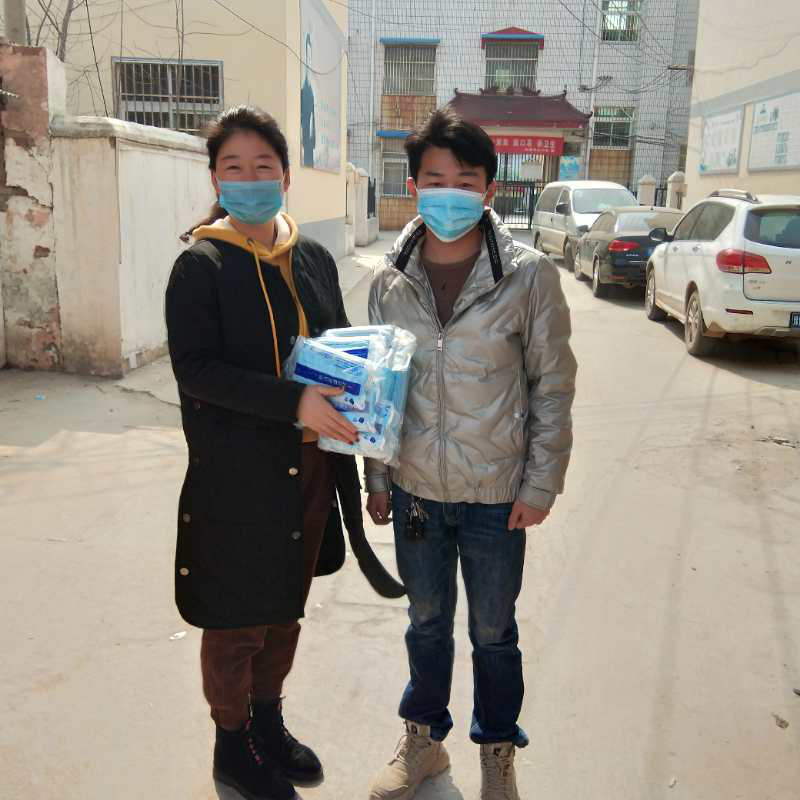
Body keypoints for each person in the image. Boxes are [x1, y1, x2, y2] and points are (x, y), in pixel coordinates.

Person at [365, 108, 577, 800]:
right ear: (413, 187)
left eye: (466, 180)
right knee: (426, 624)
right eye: (435, 179)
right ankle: (424, 743)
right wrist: (377, 478)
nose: (449, 193)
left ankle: (496, 753)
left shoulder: (529, 276)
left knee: (493, 632)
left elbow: (552, 385)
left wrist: (540, 484)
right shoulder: (389, 281)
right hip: (417, 493)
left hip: (496, 496)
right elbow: (378, 391)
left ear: (489, 190)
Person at [165, 105, 361, 800]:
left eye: (264, 167)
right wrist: (294, 402)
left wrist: (372, 400)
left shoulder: (312, 258)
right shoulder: (201, 265)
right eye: (234, 168)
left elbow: (340, 347)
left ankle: (267, 723)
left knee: (283, 608)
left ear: (285, 175)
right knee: (237, 619)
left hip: (308, 470)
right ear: (216, 179)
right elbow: (197, 371)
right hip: (237, 479)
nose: (250, 180)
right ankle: (232, 745)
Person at [300, 33, 316, 168]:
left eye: (310, 59)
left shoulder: (312, 92)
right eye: (307, 58)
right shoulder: (303, 90)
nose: (309, 63)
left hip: (310, 144)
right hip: (304, 143)